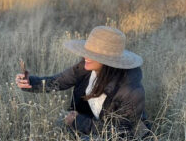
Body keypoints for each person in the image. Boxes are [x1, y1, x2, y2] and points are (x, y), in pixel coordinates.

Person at [15, 26, 150, 139]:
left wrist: (79, 122)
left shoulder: (131, 90)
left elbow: (123, 134)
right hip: (94, 124)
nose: (85, 56)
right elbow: (59, 81)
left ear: (109, 60)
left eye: (92, 54)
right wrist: (30, 82)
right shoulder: (86, 68)